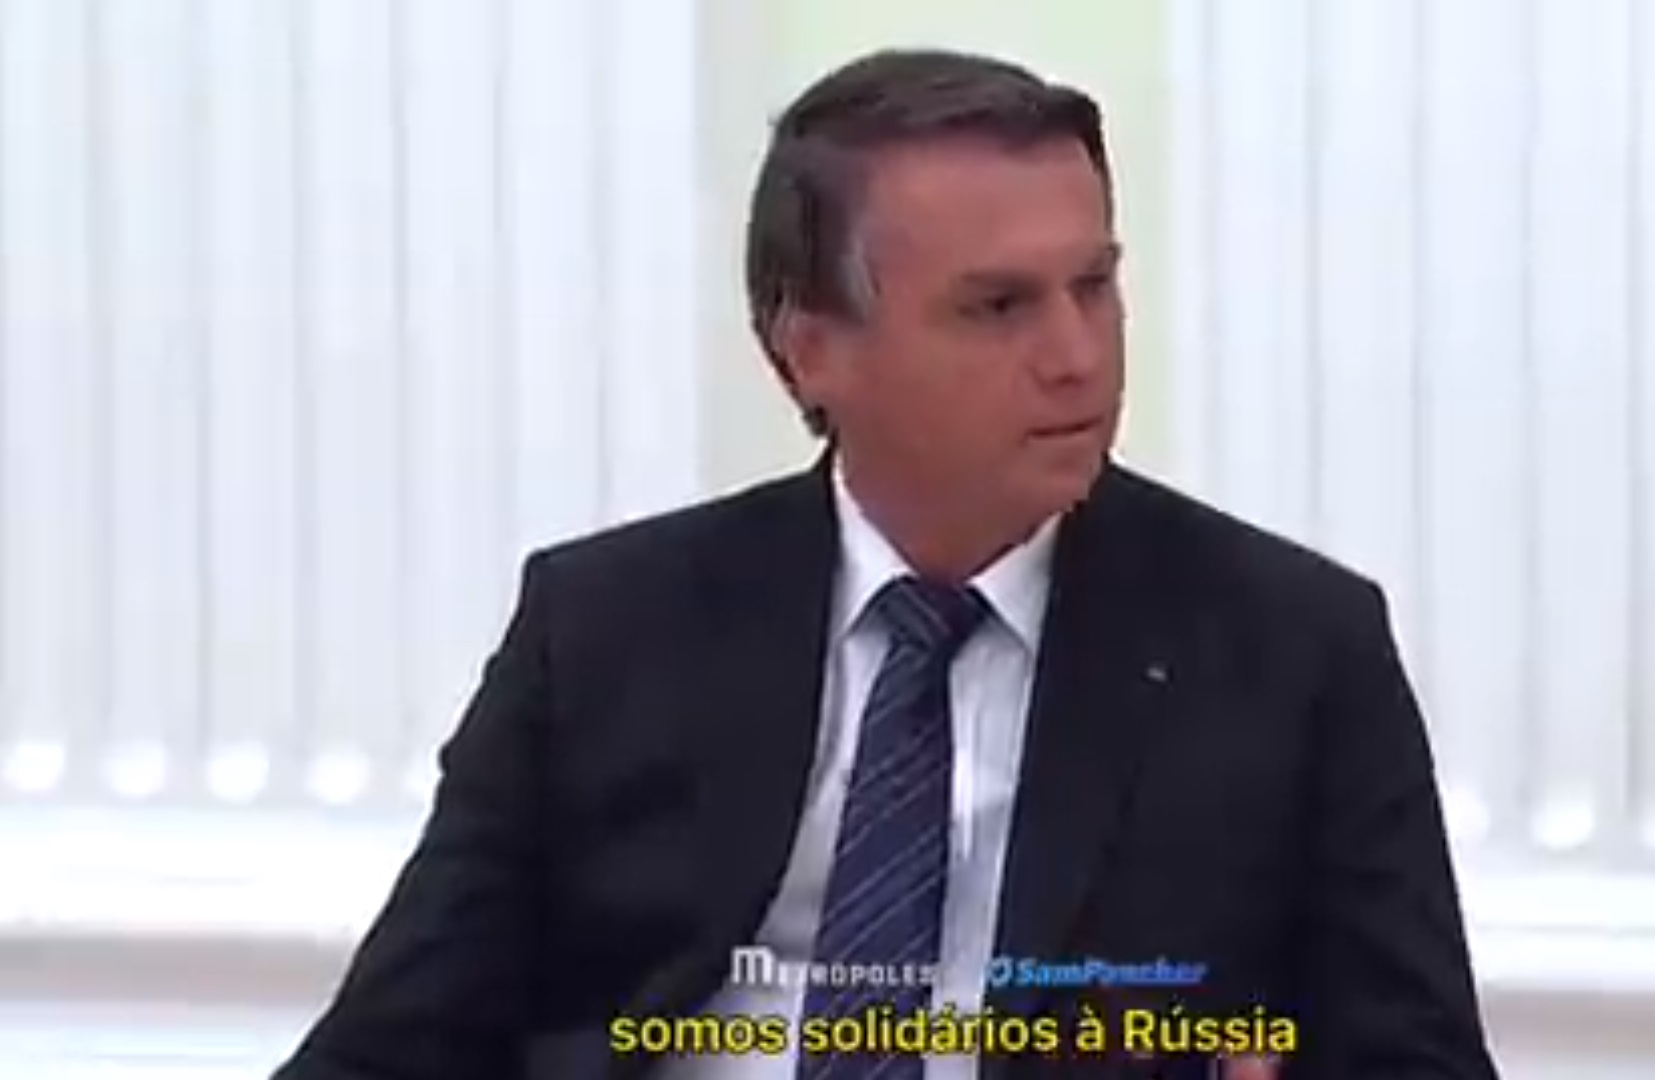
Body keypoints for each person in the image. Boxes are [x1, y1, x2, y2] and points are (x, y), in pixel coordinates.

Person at [273, 47, 1500, 1080]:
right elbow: (388, 1049)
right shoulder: (604, 631)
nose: (1078, 356)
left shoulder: (1289, 652)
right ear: (810, 350)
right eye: (999, 307)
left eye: (1094, 286)